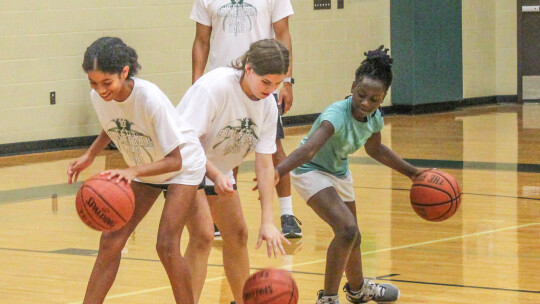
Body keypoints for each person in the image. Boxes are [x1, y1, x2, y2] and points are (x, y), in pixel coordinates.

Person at [273, 46, 425, 304]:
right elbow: (309, 150)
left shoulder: (375, 118)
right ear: (353, 85)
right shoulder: (336, 115)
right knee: (346, 229)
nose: (366, 103)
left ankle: (357, 290)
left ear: (383, 97)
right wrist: (276, 172)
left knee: (353, 235)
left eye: (373, 99)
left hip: (338, 172)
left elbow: (375, 149)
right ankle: (328, 299)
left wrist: (413, 173)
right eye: (361, 95)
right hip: (309, 170)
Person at [67, 37, 206, 304]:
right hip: (145, 166)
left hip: (182, 167)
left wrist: (133, 172)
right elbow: (113, 123)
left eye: (106, 83)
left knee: (166, 245)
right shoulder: (99, 96)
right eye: (93, 83)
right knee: (110, 242)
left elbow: (175, 160)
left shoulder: (149, 97)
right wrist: (90, 154)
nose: (100, 89)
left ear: (125, 72)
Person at [178, 39, 290, 304]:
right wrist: (215, 174)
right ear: (248, 69)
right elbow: (186, 141)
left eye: (277, 84)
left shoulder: (268, 105)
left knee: (238, 234)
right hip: (183, 165)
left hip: (218, 170)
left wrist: (267, 220)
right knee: (203, 235)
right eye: (266, 82)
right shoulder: (215, 87)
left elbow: (264, 164)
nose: (271, 90)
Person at [190, 0, 302, 238]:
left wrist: (287, 81)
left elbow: (283, 34)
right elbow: (201, 40)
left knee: (273, 149)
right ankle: (220, 210)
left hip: (263, 80)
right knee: (228, 146)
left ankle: (286, 213)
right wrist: (197, 81)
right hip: (224, 84)